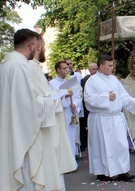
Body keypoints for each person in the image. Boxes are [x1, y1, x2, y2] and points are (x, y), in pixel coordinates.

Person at [0, 29, 53, 190]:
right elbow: (29, 105)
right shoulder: (20, 67)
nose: (38, 50)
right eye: (37, 46)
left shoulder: (6, 64)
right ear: (31, 46)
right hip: (23, 131)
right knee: (26, 174)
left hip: (11, 125)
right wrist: (51, 102)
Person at [29, 34, 77, 189]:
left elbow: (78, 95)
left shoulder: (33, 69)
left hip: (64, 114)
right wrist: (58, 98)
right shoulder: (31, 70)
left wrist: (74, 102)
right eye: (43, 45)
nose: (43, 49)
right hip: (51, 117)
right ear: (35, 46)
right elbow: (37, 102)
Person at [84, 54, 135, 181]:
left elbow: (123, 96)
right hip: (101, 119)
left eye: (112, 65)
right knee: (103, 146)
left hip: (116, 118)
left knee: (121, 145)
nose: (112, 68)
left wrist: (134, 102)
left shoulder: (114, 80)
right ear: (101, 66)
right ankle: (102, 172)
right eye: (109, 65)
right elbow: (88, 99)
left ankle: (122, 171)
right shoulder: (92, 81)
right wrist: (105, 97)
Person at [49, 60, 83, 168]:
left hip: (71, 112)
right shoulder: (52, 84)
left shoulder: (72, 81)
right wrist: (65, 96)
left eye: (67, 68)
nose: (67, 70)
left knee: (71, 138)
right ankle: (62, 164)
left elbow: (78, 97)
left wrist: (76, 104)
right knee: (63, 138)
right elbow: (52, 99)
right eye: (64, 68)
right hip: (60, 113)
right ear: (58, 70)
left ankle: (72, 162)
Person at [79, 63, 98, 151]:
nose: (95, 71)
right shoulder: (85, 80)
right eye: (93, 69)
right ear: (89, 70)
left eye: (96, 69)